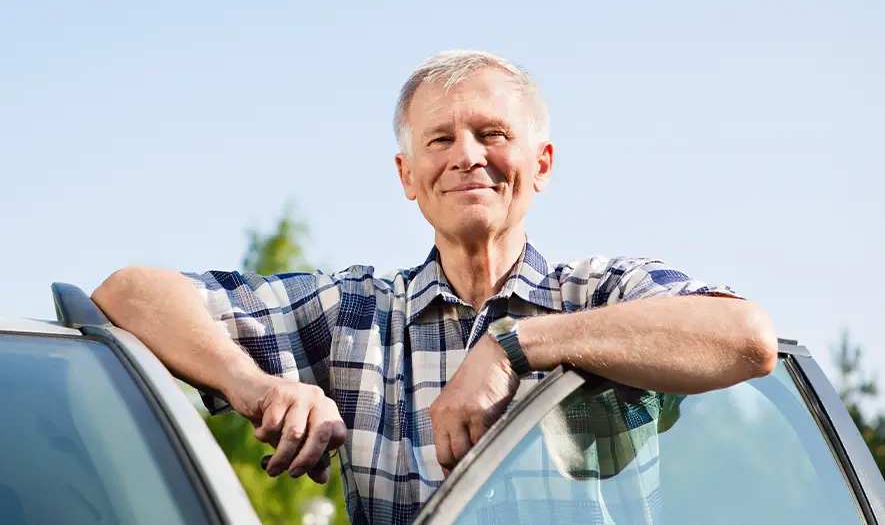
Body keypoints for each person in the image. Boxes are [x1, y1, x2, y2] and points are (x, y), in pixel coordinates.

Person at [92, 50, 777, 524]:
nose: (467, 156)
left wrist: (513, 347)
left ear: (540, 163)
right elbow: (130, 292)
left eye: (491, 132)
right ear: (407, 176)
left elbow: (745, 338)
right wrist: (261, 388)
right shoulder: (355, 313)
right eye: (440, 139)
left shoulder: (600, 296)